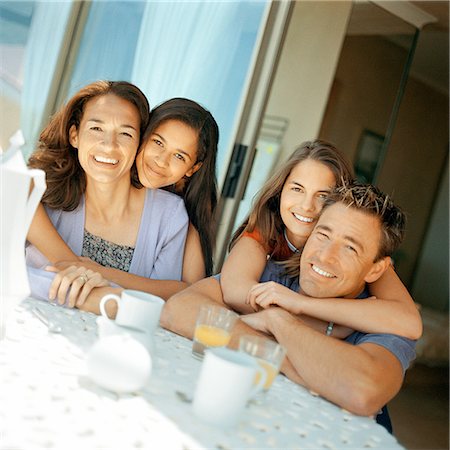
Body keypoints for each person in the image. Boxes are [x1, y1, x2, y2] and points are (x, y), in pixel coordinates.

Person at [161, 182, 417, 431]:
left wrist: (278, 321)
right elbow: (180, 309)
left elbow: (361, 390)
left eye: (350, 248)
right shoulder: (274, 277)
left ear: (376, 269)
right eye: (323, 235)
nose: (325, 256)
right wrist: (287, 359)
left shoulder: (379, 319)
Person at [27, 90, 219, 307]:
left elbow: (179, 297)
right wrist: (73, 266)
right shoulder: (49, 188)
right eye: (157, 142)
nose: (161, 161)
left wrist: (96, 272)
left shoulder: (175, 215)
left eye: (178, 156)